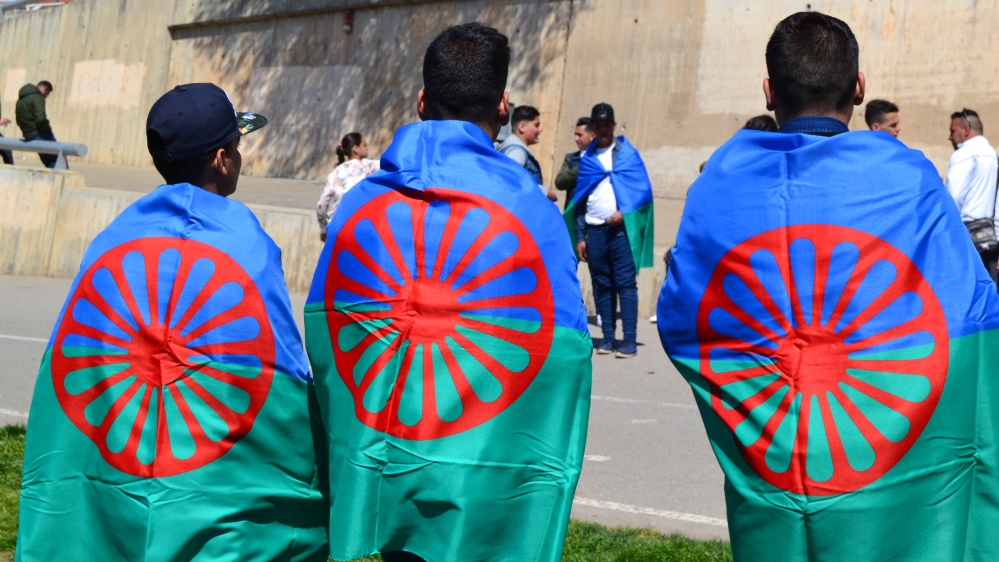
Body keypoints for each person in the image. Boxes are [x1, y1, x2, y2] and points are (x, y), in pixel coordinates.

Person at [658, 11, 999, 560]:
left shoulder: (717, 184)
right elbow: (969, 312)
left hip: (771, 465)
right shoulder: (909, 178)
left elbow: (681, 315)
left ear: (770, 91)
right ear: (859, 88)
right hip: (883, 472)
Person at [304, 22, 591, 562]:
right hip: (481, 469)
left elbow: (327, 326)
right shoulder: (532, 212)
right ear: (503, 107)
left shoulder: (359, 206)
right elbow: (562, 353)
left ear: (421, 101)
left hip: (385, 457)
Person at [16, 83, 328, 561]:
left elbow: (74, 358)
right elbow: (279, 374)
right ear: (221, 159)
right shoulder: (248, 245)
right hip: (214, 488)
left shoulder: (113, 237)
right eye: (237, 147)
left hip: (118, 465)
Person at [566, 102, 655, 359]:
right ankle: (607, 337)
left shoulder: (627, 155)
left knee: (625, 284)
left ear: (614, 125)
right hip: (594, 232)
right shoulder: (588, 158)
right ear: (593, 128)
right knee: (601, 284)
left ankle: (629, 340)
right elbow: (580, 199)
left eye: (607, 124)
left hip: (620, 232)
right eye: (599, 125)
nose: (603, 129)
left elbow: (642, 191)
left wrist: (623, 213)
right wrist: (580, 235)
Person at [946, 108, 999, 284]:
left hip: (965, 240)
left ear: (966, 129)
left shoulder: (964, 154)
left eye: (953, 131)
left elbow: (952, 199)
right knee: (990, 291)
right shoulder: (994, 155)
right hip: (991, 239)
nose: (950, 137)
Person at [315, 131, 379, 241]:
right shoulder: (370, 167)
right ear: (356, 148)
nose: (367, 148)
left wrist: (323, 229)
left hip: (337, 228)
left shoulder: (334, 174)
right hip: (359, 227)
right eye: (364, 145)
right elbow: (391, 162)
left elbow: (321, 206)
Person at [499, 104, 555, 200]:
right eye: (536, 125)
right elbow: (511, 180)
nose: (540, 129)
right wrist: (545, 192)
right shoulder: (517, 151)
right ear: (522, 127)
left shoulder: (515, 149)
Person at [554, 116, 595, 209]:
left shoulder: (603, 159)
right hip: (574, 212)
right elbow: (559, 182)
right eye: (575, 135)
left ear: (592, 136)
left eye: (580, 135)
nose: (576, 138)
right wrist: (582, 168)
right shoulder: (571, 158)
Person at [15, 80, 58, 168]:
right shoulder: (38, 98)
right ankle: (63, 176)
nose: (46, 96)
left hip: (28, 135)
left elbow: (18, 119)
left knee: (48, 160)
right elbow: (40, 119)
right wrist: (48, 130)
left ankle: (55, 175)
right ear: (45, 89)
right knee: (58, 158)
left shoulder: (21, 100)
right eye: (47, 94)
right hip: (40, 134)